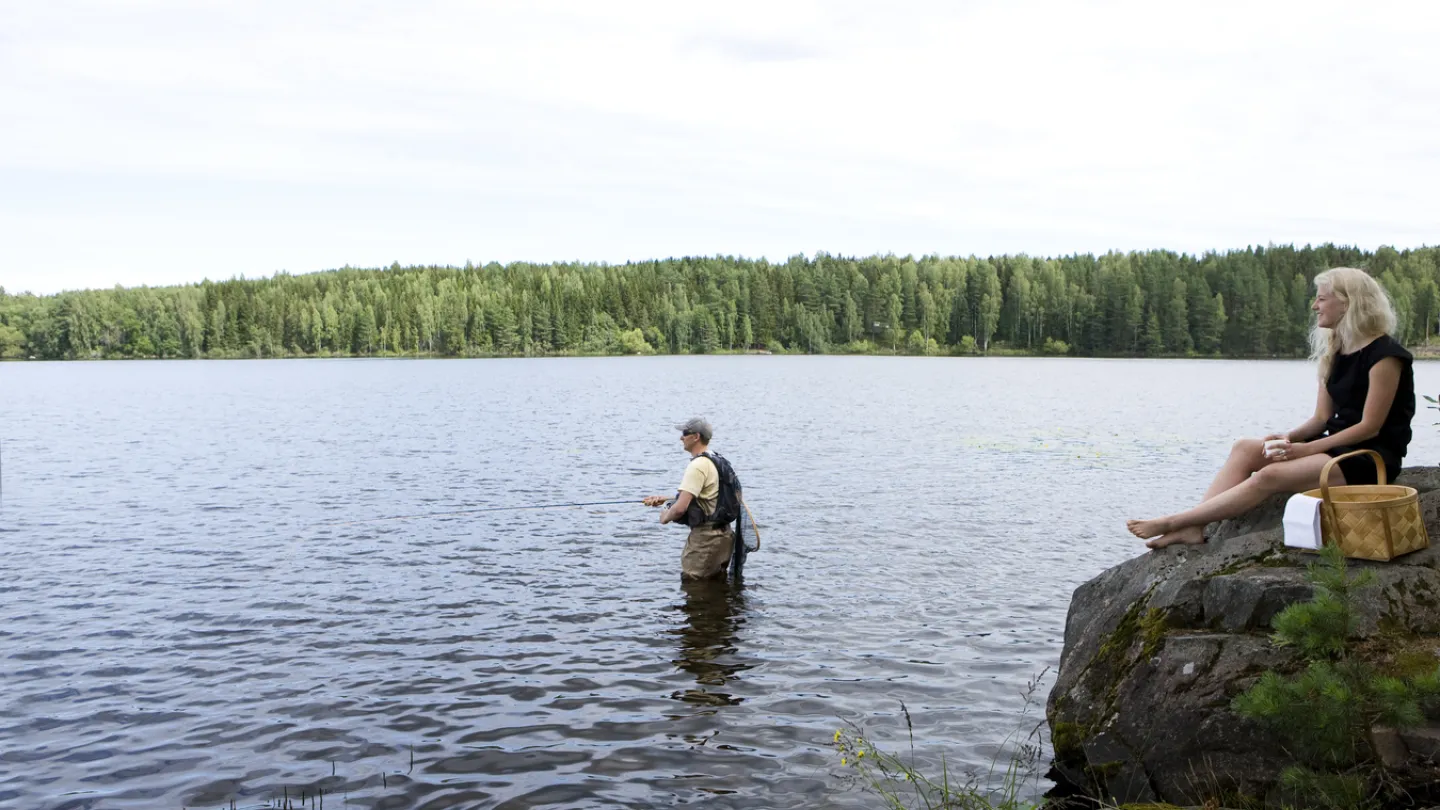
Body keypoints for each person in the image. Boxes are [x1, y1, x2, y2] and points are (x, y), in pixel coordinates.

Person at [1127, 267, 1415, 549]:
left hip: (1369, 457)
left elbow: (1370, 427)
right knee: (1244, 448)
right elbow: (1321, 418)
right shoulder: (1337, 351)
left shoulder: (1386, 356)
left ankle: (1174, 522)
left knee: (1269, 476)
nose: (1315, 306)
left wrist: (1306, 450)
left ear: (1348, 302)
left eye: (1322, 298)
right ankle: (1193, 527)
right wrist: (1288, 439)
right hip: (1332, 448)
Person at [643, 418, 734, 579]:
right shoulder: (716, 460)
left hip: (705, 542)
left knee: (694, 586)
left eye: (685, 433)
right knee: (714, 587)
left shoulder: (697, 465)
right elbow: (709, 496)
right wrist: (665, 499)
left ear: (696, 437)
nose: (681, 438)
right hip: (724, 537)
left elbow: (679, 509)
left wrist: (665, 517)